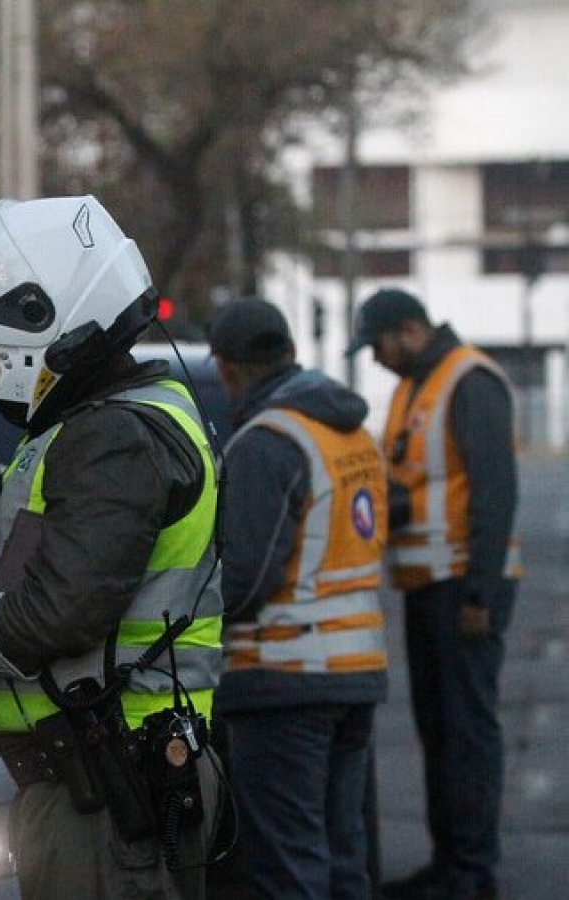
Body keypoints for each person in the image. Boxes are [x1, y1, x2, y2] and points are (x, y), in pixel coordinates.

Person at [0, 196, 225, 900]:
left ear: (46, 324)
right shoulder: (111, 425)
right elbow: (61, 588)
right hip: (100, 777)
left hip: (112, 783)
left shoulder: (114, 438)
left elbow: (53, 617)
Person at [207, 297, 389, 900]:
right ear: (288, 350)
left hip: (284, 677)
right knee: (343, 858)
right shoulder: (351, 432)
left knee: (288, 865)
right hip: (355, 672)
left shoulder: (266, 442)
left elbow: (246, 579)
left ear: (226, 369)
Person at [348, 288, 522, 900]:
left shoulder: (468, 380)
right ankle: (449, 863)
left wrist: (480, 592)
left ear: (411, 329)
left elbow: (495, 492)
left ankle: (472, 871)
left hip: (464, 589)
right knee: (439, 732)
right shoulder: (411, 388)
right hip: (427, 586)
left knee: (467, 733)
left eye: (379, 344)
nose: (376, 359)